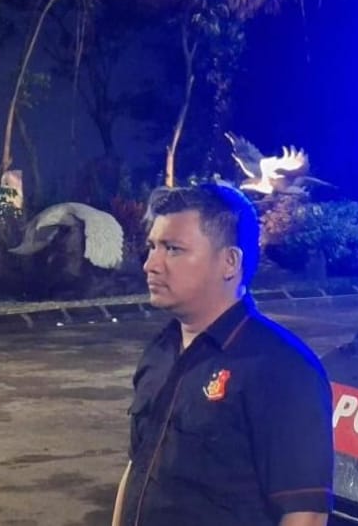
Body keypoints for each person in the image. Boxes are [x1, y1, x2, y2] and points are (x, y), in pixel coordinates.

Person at [112, 183, 334, 526]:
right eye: (152, 247)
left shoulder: (282, 369)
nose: (151, 264)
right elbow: (138, 465)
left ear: (230, 262)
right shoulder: (161, 350)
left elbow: (305, 512)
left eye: (173, 249)